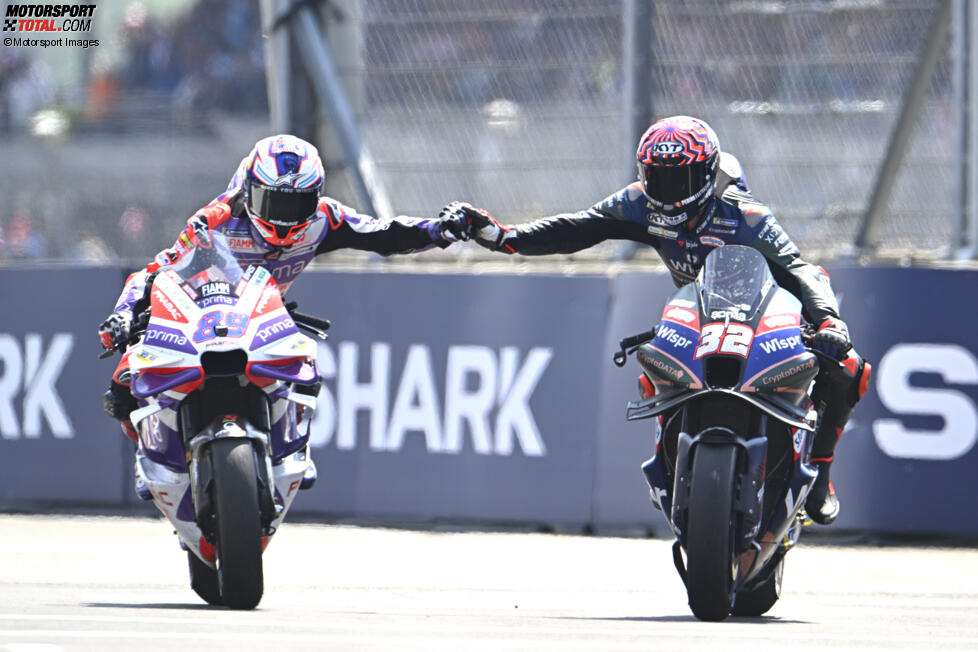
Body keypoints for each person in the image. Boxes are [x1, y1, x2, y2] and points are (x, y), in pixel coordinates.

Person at [442, 115, 870, 526]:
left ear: (706, 176)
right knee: (654, 364)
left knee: (849, 368)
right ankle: (670, 462)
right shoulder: (638, 202)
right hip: (699, 313)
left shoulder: (745, 213)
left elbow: (801, 270)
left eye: (677, 180)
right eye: (655, 177)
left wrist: (829, 322)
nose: (664, 192)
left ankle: (819, 470)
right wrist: (501, 236)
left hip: (764, 313)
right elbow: (578, 227)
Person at [98, 134, 470, 493]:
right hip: (199, 318)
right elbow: (156, 271)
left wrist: (441, 230)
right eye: (272, 202)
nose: (285, 218)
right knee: (123, 384)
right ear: (248, 189)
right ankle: (149, 452)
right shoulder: (215, 220)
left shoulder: (325, 220)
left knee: (307, 366)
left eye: (297, 205)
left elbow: (386, 234)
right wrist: (124, 314)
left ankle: (291, 448)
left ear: (316, 198)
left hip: (261, 318)